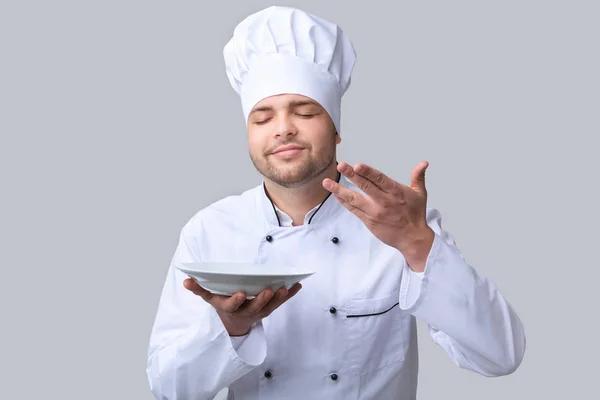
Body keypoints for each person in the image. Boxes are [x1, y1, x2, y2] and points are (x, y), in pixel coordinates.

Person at [146, 6, 526, 400]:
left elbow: (500, 356)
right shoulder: (210, 230)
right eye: (262, 118)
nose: (283, 129)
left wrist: (418, 245)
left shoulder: (398, 223)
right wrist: (229, 327)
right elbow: (170, 390)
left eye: (305, 111)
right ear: (248, 135)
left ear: (336, 128)